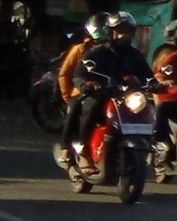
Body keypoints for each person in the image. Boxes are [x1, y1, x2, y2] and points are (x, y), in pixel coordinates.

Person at [64, 11, 154, 169]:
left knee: (148, 109)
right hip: (101, 94)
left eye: (127, 31)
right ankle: (83, 150)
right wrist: (87, 85)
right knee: (91, 107)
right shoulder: (96, 52)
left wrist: (155, 84)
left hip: (126, 97)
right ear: (111, 32)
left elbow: (148, 76)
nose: (124, 35)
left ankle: (153, 148)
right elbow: (79, 74)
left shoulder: (136, 55)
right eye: (120, 31)